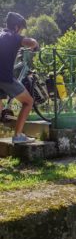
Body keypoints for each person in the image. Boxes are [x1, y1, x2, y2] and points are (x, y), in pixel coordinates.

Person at [0, 12, 39, 143]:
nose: (21, 31)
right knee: (28, 102)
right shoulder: (13, 36)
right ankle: (18, 136)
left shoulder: (1, 35)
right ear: (16, 27)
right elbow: (31, 42)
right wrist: (36, 45)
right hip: (4, 77)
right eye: (21, 28)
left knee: (0, 111)